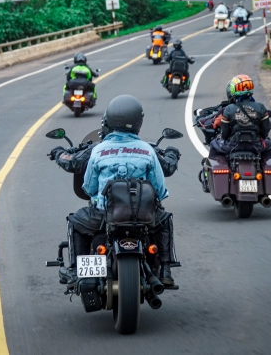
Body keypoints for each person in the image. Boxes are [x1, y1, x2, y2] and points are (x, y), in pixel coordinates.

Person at [50, 95, 181, 287]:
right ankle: (165, 271)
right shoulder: (147, 150)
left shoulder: (98, 150)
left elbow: (89, 188)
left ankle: (77, 271)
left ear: (109, 120)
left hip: (104, 215)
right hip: (144, 216)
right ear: (138, 121)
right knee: (165, 219)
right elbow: (159, 190)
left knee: (75, 222)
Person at [207, 75, 271, 164]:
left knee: (214, 143)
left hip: (233, 145)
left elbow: (224, 133)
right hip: (256, 145)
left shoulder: (229, 109)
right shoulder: (260, 107)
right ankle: (265, 167)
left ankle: (220, 168)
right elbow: (265, 131)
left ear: (233, 90)